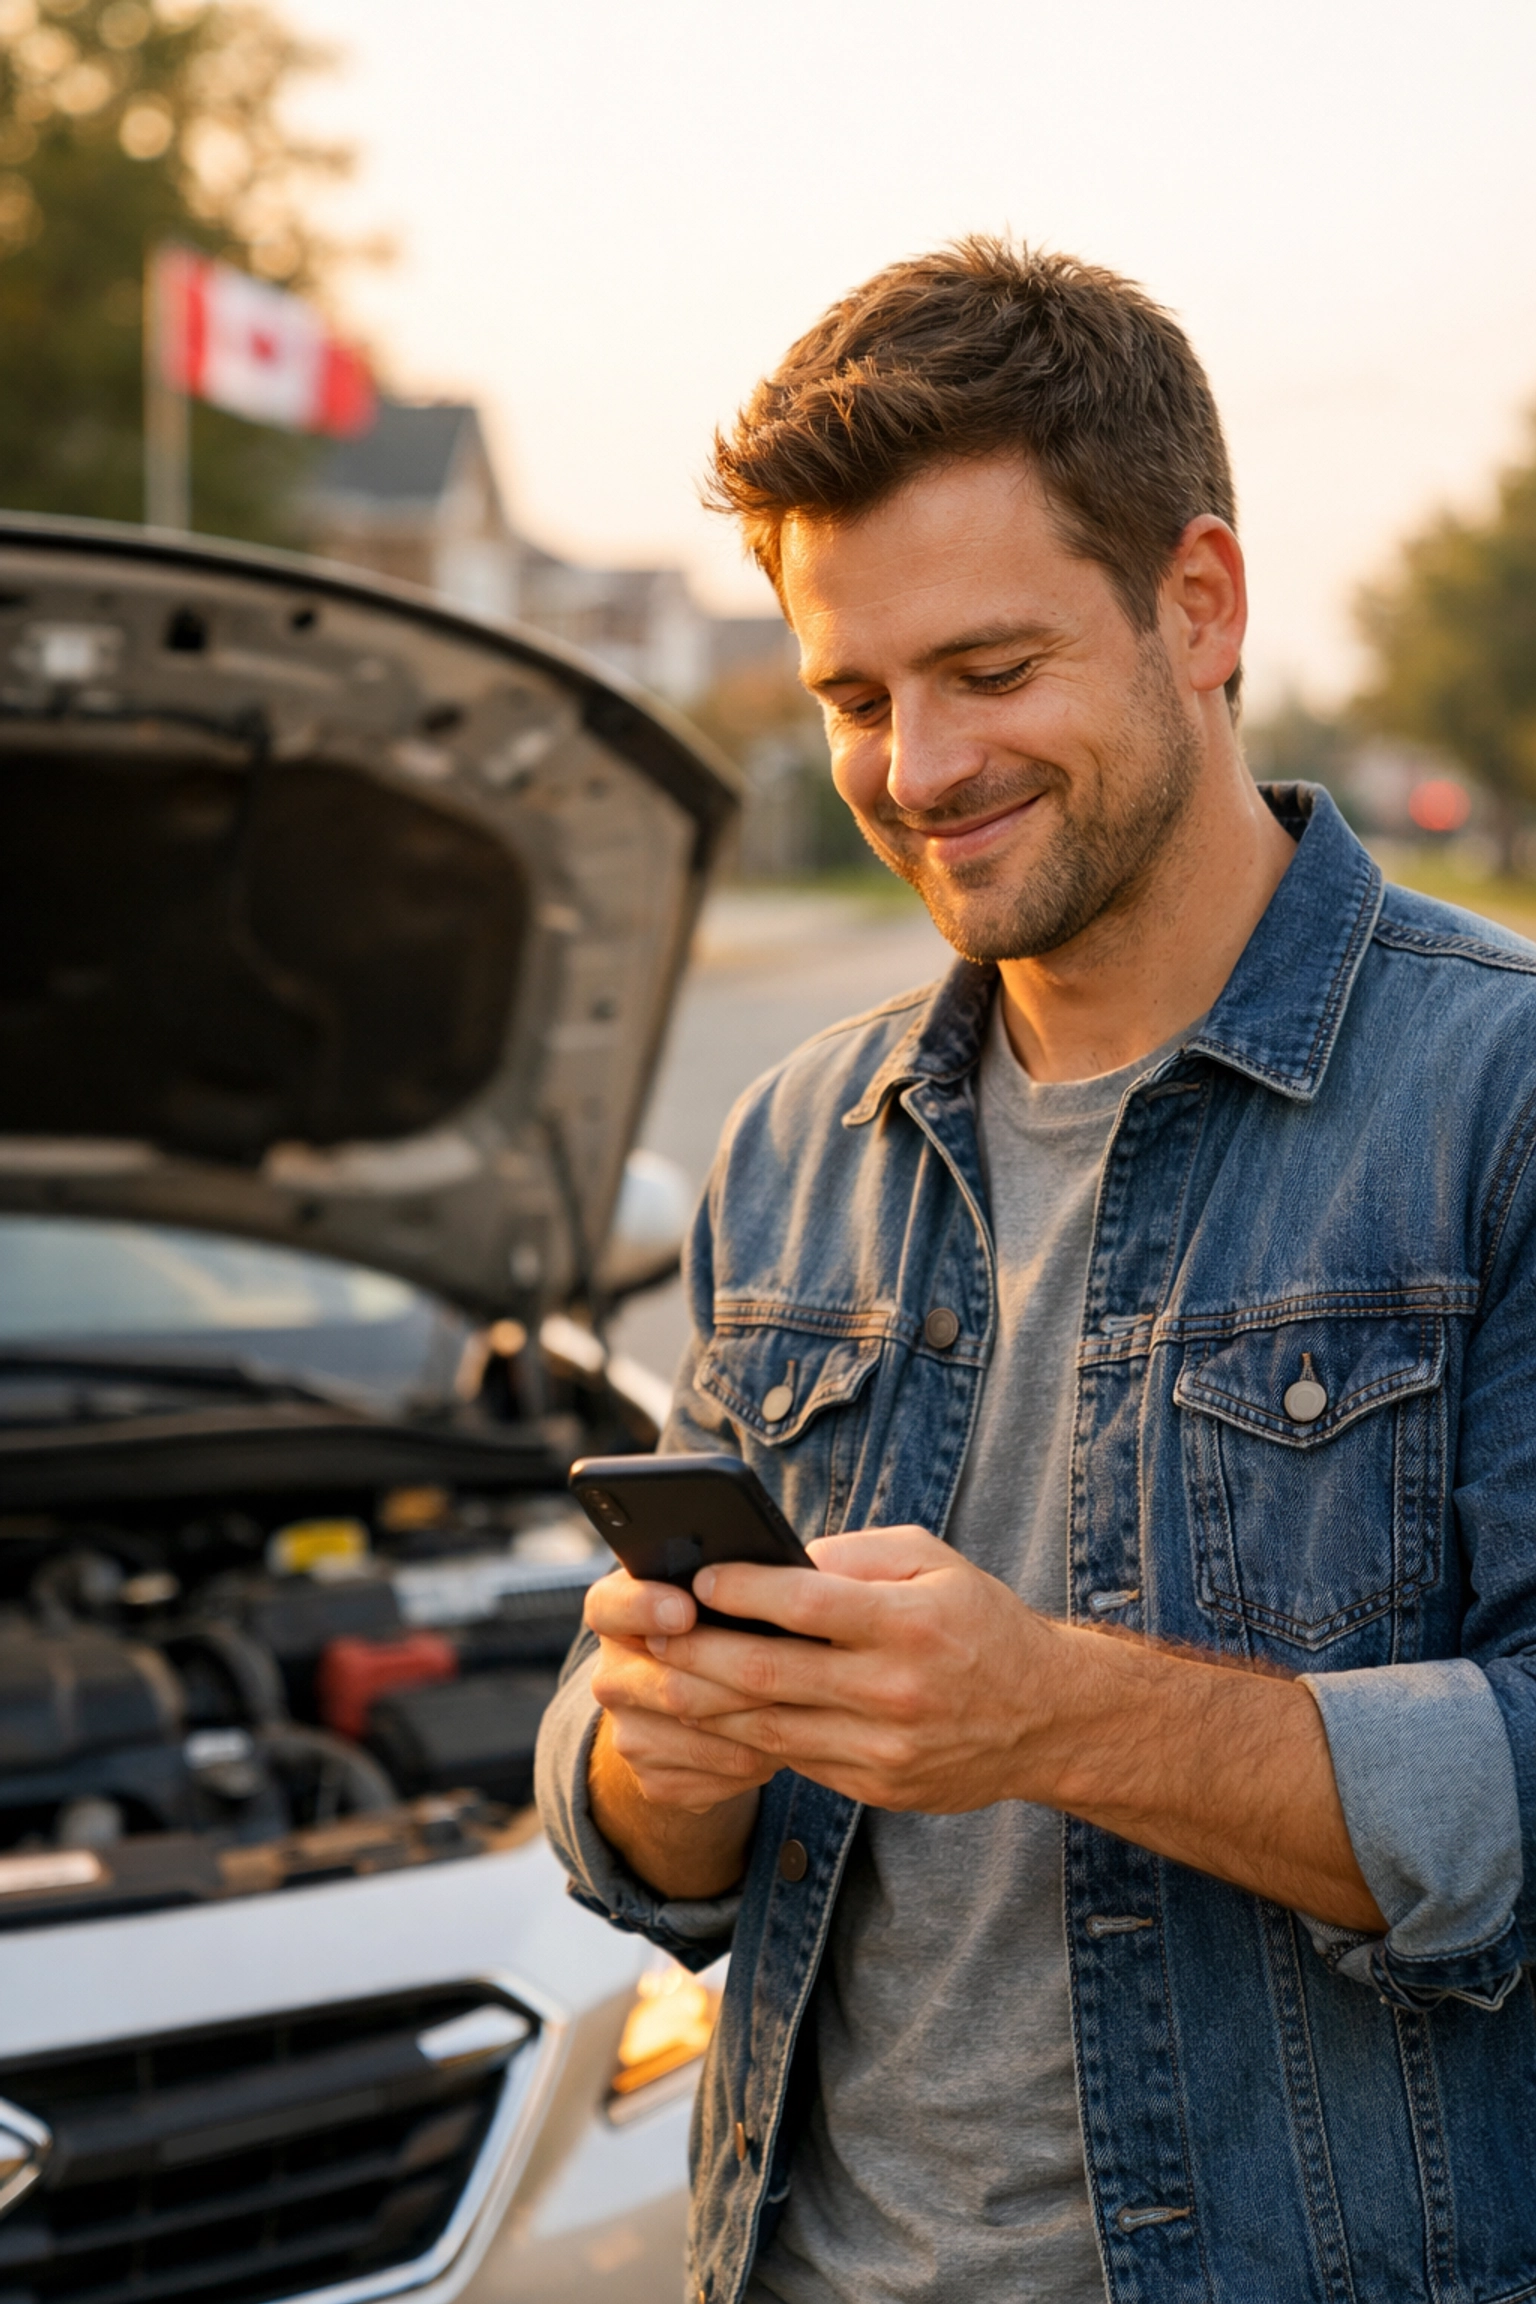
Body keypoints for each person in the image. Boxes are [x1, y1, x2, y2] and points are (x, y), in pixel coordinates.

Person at [536, 238, 1536, 2304]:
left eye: (990, 673)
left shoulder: (1497, 1094)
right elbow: (636, 1843)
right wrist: (663, 1748)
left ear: (1201, 607)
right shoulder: (793, 1142)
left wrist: (1051, 1716)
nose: (917, 769)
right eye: (853, 697)